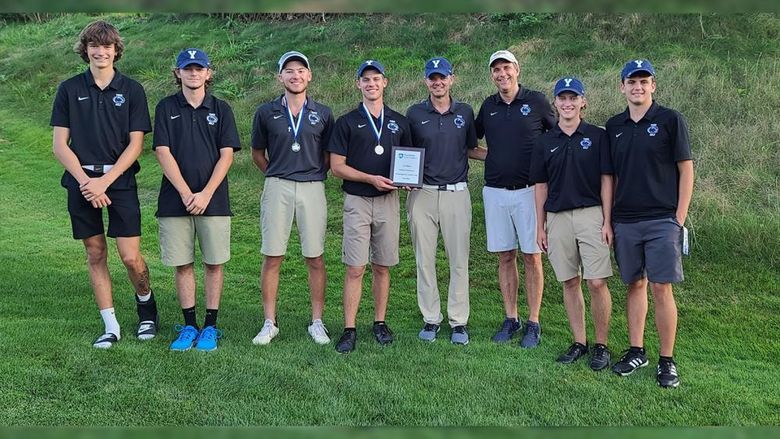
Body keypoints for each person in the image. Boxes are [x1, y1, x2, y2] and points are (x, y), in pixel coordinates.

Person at [51, 20, 158, 349]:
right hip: (81, 181)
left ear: (116, 50)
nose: (100, 51)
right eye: (94, 46)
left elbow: (136, 144)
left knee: (129, 256)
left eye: (107, 46)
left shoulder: (132, 90)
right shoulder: (69, 89)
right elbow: (59, 145)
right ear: (86, 50)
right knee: (95, 253)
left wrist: (105, 182)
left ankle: (147, 309)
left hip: (120, 180)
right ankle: (110, 325)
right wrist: (87, 182)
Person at [606, 59, 694, 388]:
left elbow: (686, 169)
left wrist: (678, 219)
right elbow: (610, 176)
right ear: (622, 86)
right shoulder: (614, 126)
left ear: (653, 85)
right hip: (626, 220)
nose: (638, 87)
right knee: (635, 285)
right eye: (632, 81)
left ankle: (667, 360)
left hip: (662, 219)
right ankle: (636, 350)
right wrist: (610, 218)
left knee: (661, 287)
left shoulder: (670, 120)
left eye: (644, 81)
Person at [152, 48, 240, 352]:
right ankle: (189, 325)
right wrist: (186, 193)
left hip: (213, 199)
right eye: (187, 69)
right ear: (177, 73)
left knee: (214, 263)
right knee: (183, 263)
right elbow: (162, 151)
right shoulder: (166, 107)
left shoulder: (222, 108)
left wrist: (205, 193)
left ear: (208, 73)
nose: (193, 73)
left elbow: (226, 155)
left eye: (198, 69)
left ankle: (211, 326)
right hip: (175, 198)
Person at [327, 60, 412, 353]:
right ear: (358, 85)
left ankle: (379, 322)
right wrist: (370, 178)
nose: (371, 84)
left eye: (376, 78)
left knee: (383, 265)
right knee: (355, 267)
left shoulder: (400, 122)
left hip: (388, 201)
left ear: (385, 82)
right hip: (358, 201)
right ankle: (349, 328)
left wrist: (406, 181)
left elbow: (409, 161)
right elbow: (336, 167)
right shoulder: (347, 122)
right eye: (366, 80)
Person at [250, 51, 335, 346]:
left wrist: (310, 173)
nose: (295, 75)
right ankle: (269, 322)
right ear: (280, 77)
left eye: (301, 70)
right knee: (272, 255)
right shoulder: (265, 112)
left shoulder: (323, 113)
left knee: (315, 256)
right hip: (277, 186)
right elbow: (258, 154)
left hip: (312, 186)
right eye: (289, 71)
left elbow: (328, 156)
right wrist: (276, 174)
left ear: (309, 76)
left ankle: (317, 321)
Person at [530, 77, 613, 370]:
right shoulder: (545, 141)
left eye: (572, 98)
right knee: (569, 281)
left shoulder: (597, 136)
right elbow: (540, 186)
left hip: (591, 214)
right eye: (562, 99)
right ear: (556, 104)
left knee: (597, 281)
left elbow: (606, 179)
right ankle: (580, 341)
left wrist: (607, 219)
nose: (567, 103)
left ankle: (601, 345)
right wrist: (540, 226)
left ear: (583, 102)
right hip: (557, 217)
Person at [474, 49, 555, 348]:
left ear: (517, 70)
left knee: (532, 257)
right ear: (492, 75)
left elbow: (557, 135)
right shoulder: (489, 106)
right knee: (505, 256)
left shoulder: (536, 101)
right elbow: (470, 143)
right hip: (495, 192)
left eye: (506, 68)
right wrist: (492, 157)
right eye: (496, 70)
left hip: (529, 192)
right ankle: (511, 318)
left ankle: (533, 322)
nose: (502, 74)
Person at [405, 57, 479, 345]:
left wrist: (505, 158)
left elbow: (471, 148)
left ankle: (458, 321)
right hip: (422, 193)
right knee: (425, 260)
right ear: (426, 81)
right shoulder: (414, 113)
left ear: (452, 79)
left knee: (458, 260)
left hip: (456, 194)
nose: (438, 82)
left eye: (442, 77)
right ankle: (431, 318)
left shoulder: (465, 112)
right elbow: (406, 153)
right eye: (432, 77)